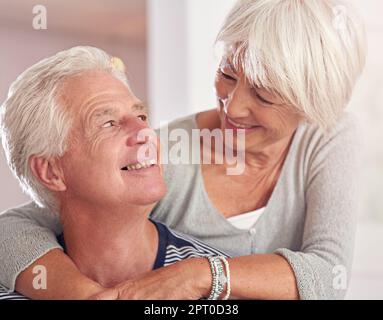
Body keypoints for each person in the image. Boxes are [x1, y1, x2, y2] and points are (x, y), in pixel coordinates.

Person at [0, 0, 366, 299]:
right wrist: (84, 297)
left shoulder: (329, 136)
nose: (232, 107)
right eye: (227, 75)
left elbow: (329, 277)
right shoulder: (164, 154)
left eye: (264, 95)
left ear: (311, 105)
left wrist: (201, 275)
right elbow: (19, 224)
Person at [0, 47, 228, 300]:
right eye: (108, 124)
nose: (145, 132)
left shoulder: (222, 290)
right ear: (51, 172)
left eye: (141, 115)